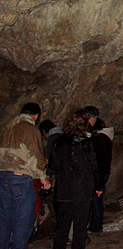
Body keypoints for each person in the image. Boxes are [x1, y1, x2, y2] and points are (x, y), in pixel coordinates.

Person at [0, 102, 51, 249]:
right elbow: (34, 156)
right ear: (35, 116)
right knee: (23, 222)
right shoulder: (30, 130)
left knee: (4, 221)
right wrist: (43, 176)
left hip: (3, 177)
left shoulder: (7, 130)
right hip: (20, 178)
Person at [49, 109, 100, 249]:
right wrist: (98, 184)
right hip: (83, 189)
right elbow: (93, 165)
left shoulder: (58, 142)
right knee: (80, 227)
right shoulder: (86, 142)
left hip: (64, 188)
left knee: (62, 227)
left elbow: (53, 165)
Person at [88, 118, 114, 233]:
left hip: (99, 172)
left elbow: (97, 159)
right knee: (97, 199)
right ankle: (96, 224)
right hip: (104, 171)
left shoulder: (98, 140)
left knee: (95, 199)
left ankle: (95, 225)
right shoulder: (107, 139)